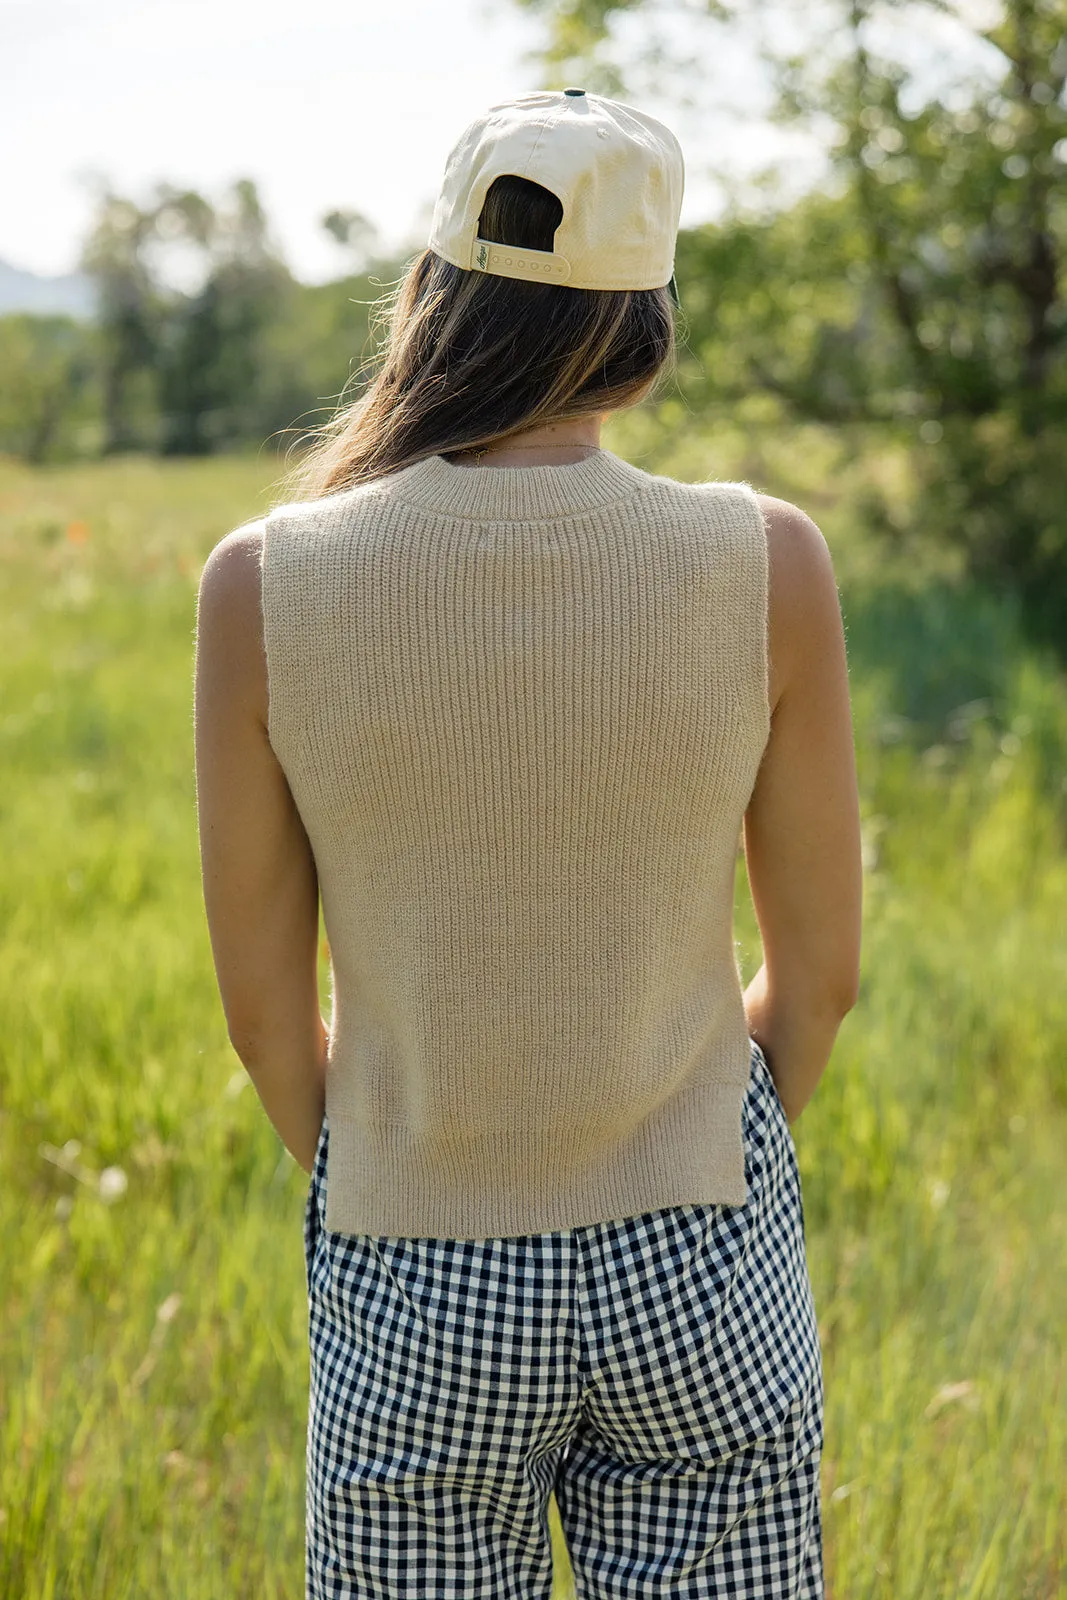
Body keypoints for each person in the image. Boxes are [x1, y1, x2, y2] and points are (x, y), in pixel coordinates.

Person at [194, 88, 862, 1600]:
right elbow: (816, 981)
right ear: (647, 326)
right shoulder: (766, 561)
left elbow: (258, 1015)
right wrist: (708, 1160)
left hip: (410, 1255)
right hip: (700, 1247)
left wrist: (399, 1187)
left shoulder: (263, 585)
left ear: (433, 292)